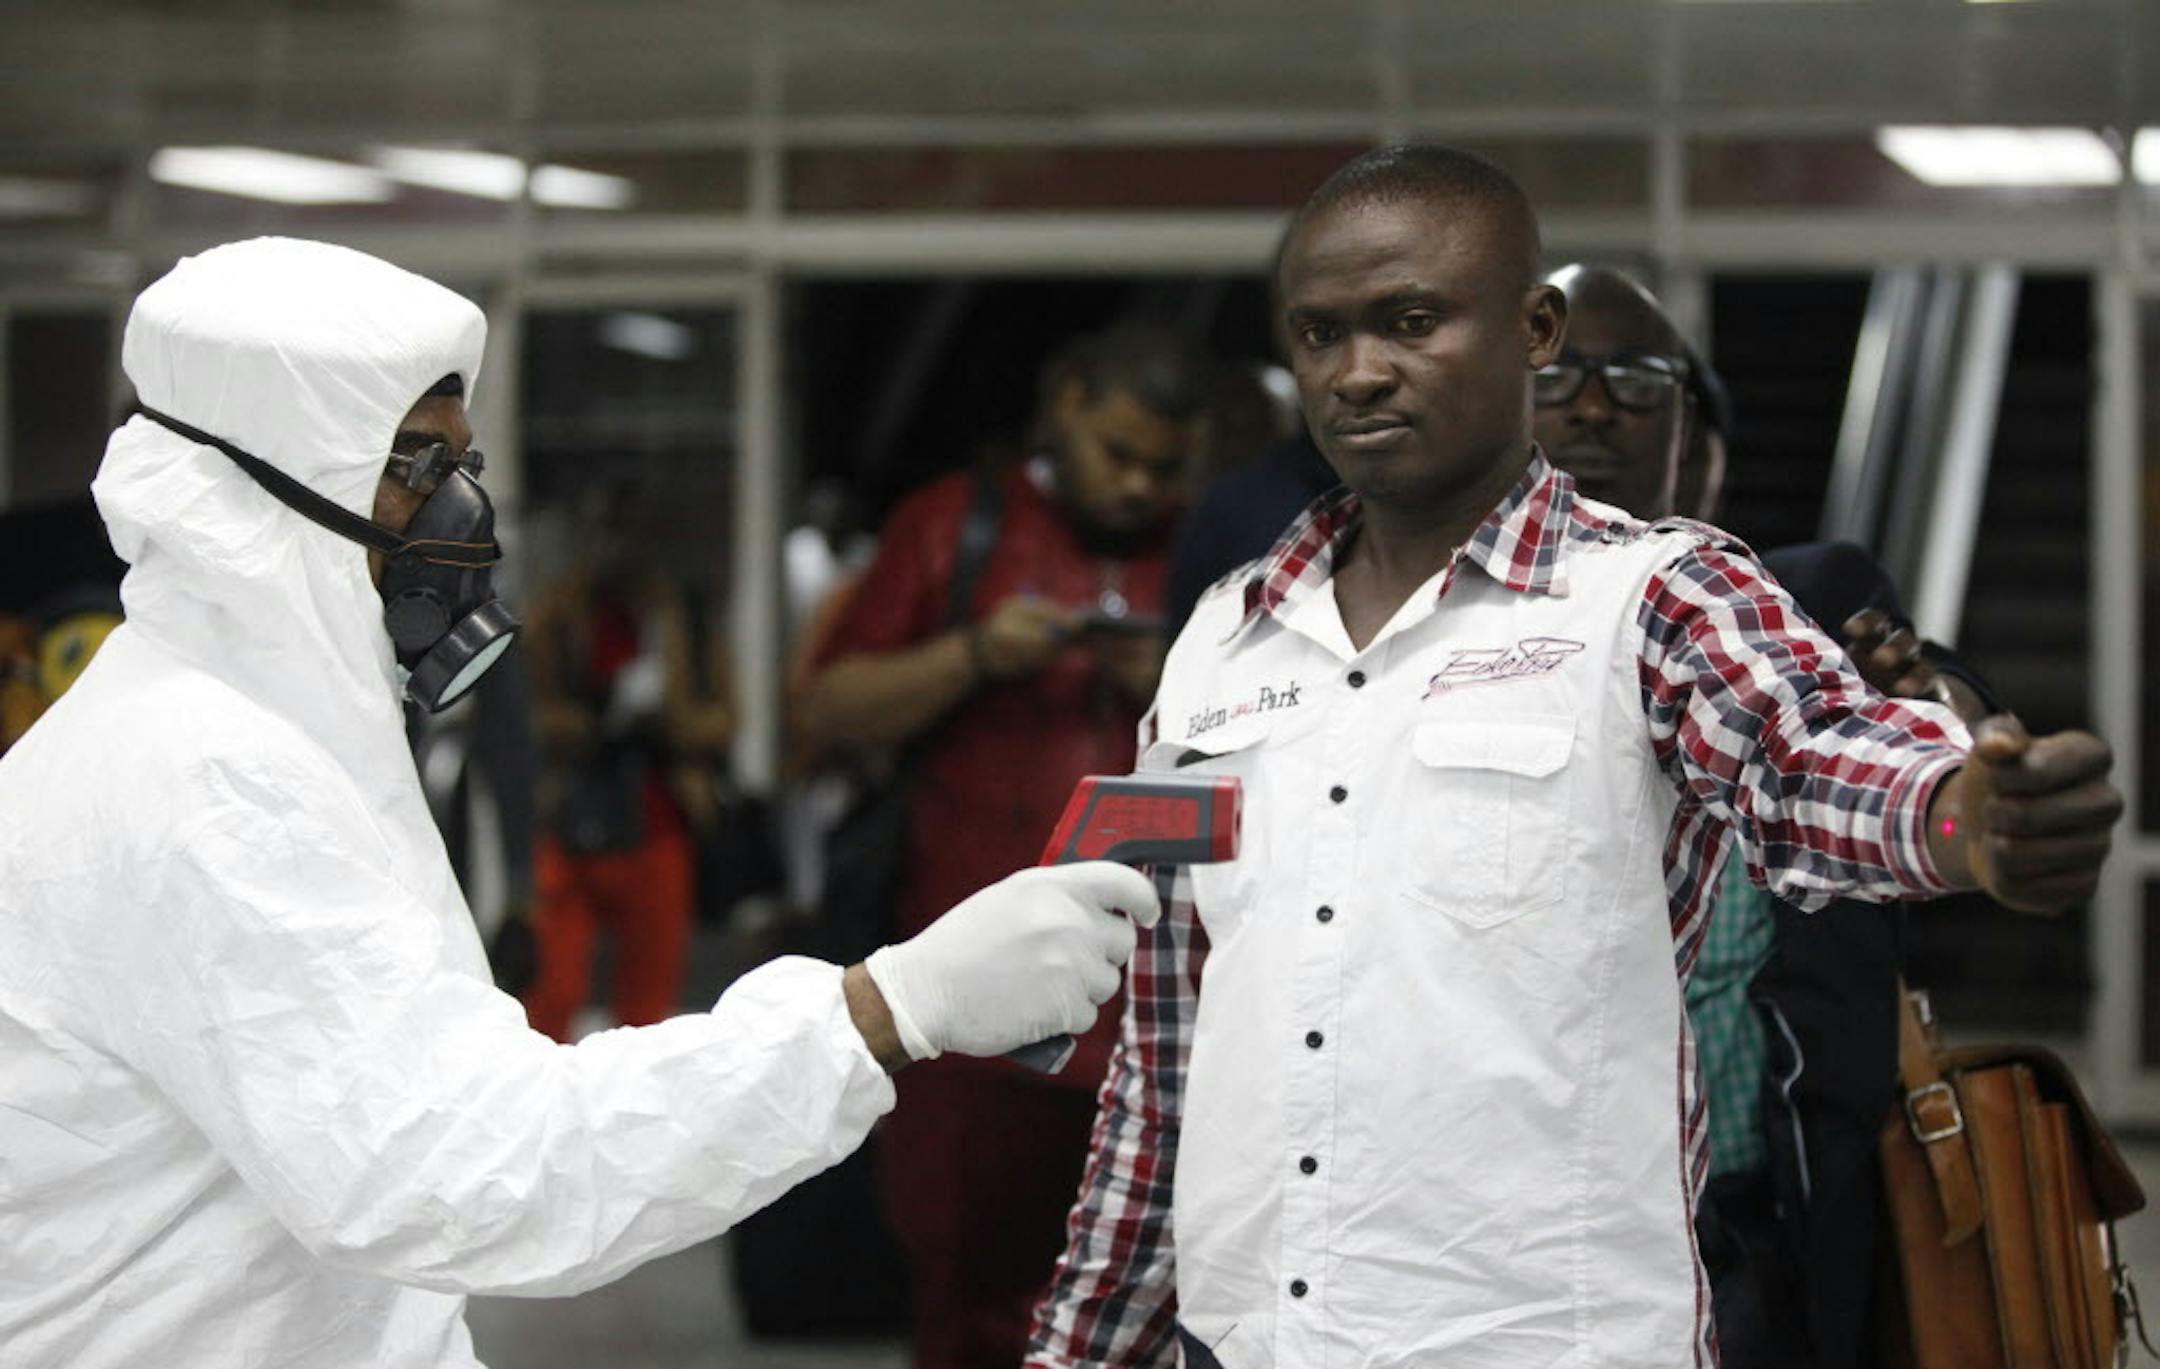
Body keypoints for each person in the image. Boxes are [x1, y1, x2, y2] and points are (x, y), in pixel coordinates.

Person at [1026, 146, 2121, 1369]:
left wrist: (1975, 819)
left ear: (1533, 328)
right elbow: (1162, 1051)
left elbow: (1816, 765)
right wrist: (1079, 1346)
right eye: (1319, 334)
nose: (1359, 371)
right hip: (1246, 1340)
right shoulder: (1219, 642)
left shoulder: (1658, 596)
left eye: (1410, 321)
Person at [0, 237, 1162, 1369]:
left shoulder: (254, 722)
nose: (460, 513)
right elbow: (462, 1167)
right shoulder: (208, 776)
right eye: (411, 468)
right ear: (254, 492)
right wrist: (885, 1007)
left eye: (463, 465)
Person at [1532, 262, 2006, 1368]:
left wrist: (1934, 716)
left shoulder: (1805, 601)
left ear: (1701, 447)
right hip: (1533, 1213)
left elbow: (1952, 728)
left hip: (1763, 1204)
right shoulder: (1434, 643)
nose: (1595, 403)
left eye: (1638, 380)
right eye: (1557, 379)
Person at [800, 320, 1211, 1369]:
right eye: (1117, 454)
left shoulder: (1213, 550)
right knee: (967, 1296)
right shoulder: (954, 526)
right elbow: (829, 709)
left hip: (1169, 1014)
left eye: (1161, 469)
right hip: (970, 1013)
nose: (1134, 487)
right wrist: (976, 654)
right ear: (1063, 405)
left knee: (1172, 1308)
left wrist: (1172, 680)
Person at [519, 480, 729, 1039]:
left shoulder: (682, 616)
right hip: (572, 820)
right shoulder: (560, 614)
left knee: (646, 1012)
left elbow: (724, 719)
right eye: (609, 531)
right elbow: (531, 718)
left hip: (657, 824)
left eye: (634, 534)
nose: (622, 548)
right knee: (551, 996)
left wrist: (670, 711)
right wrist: (594, 721)